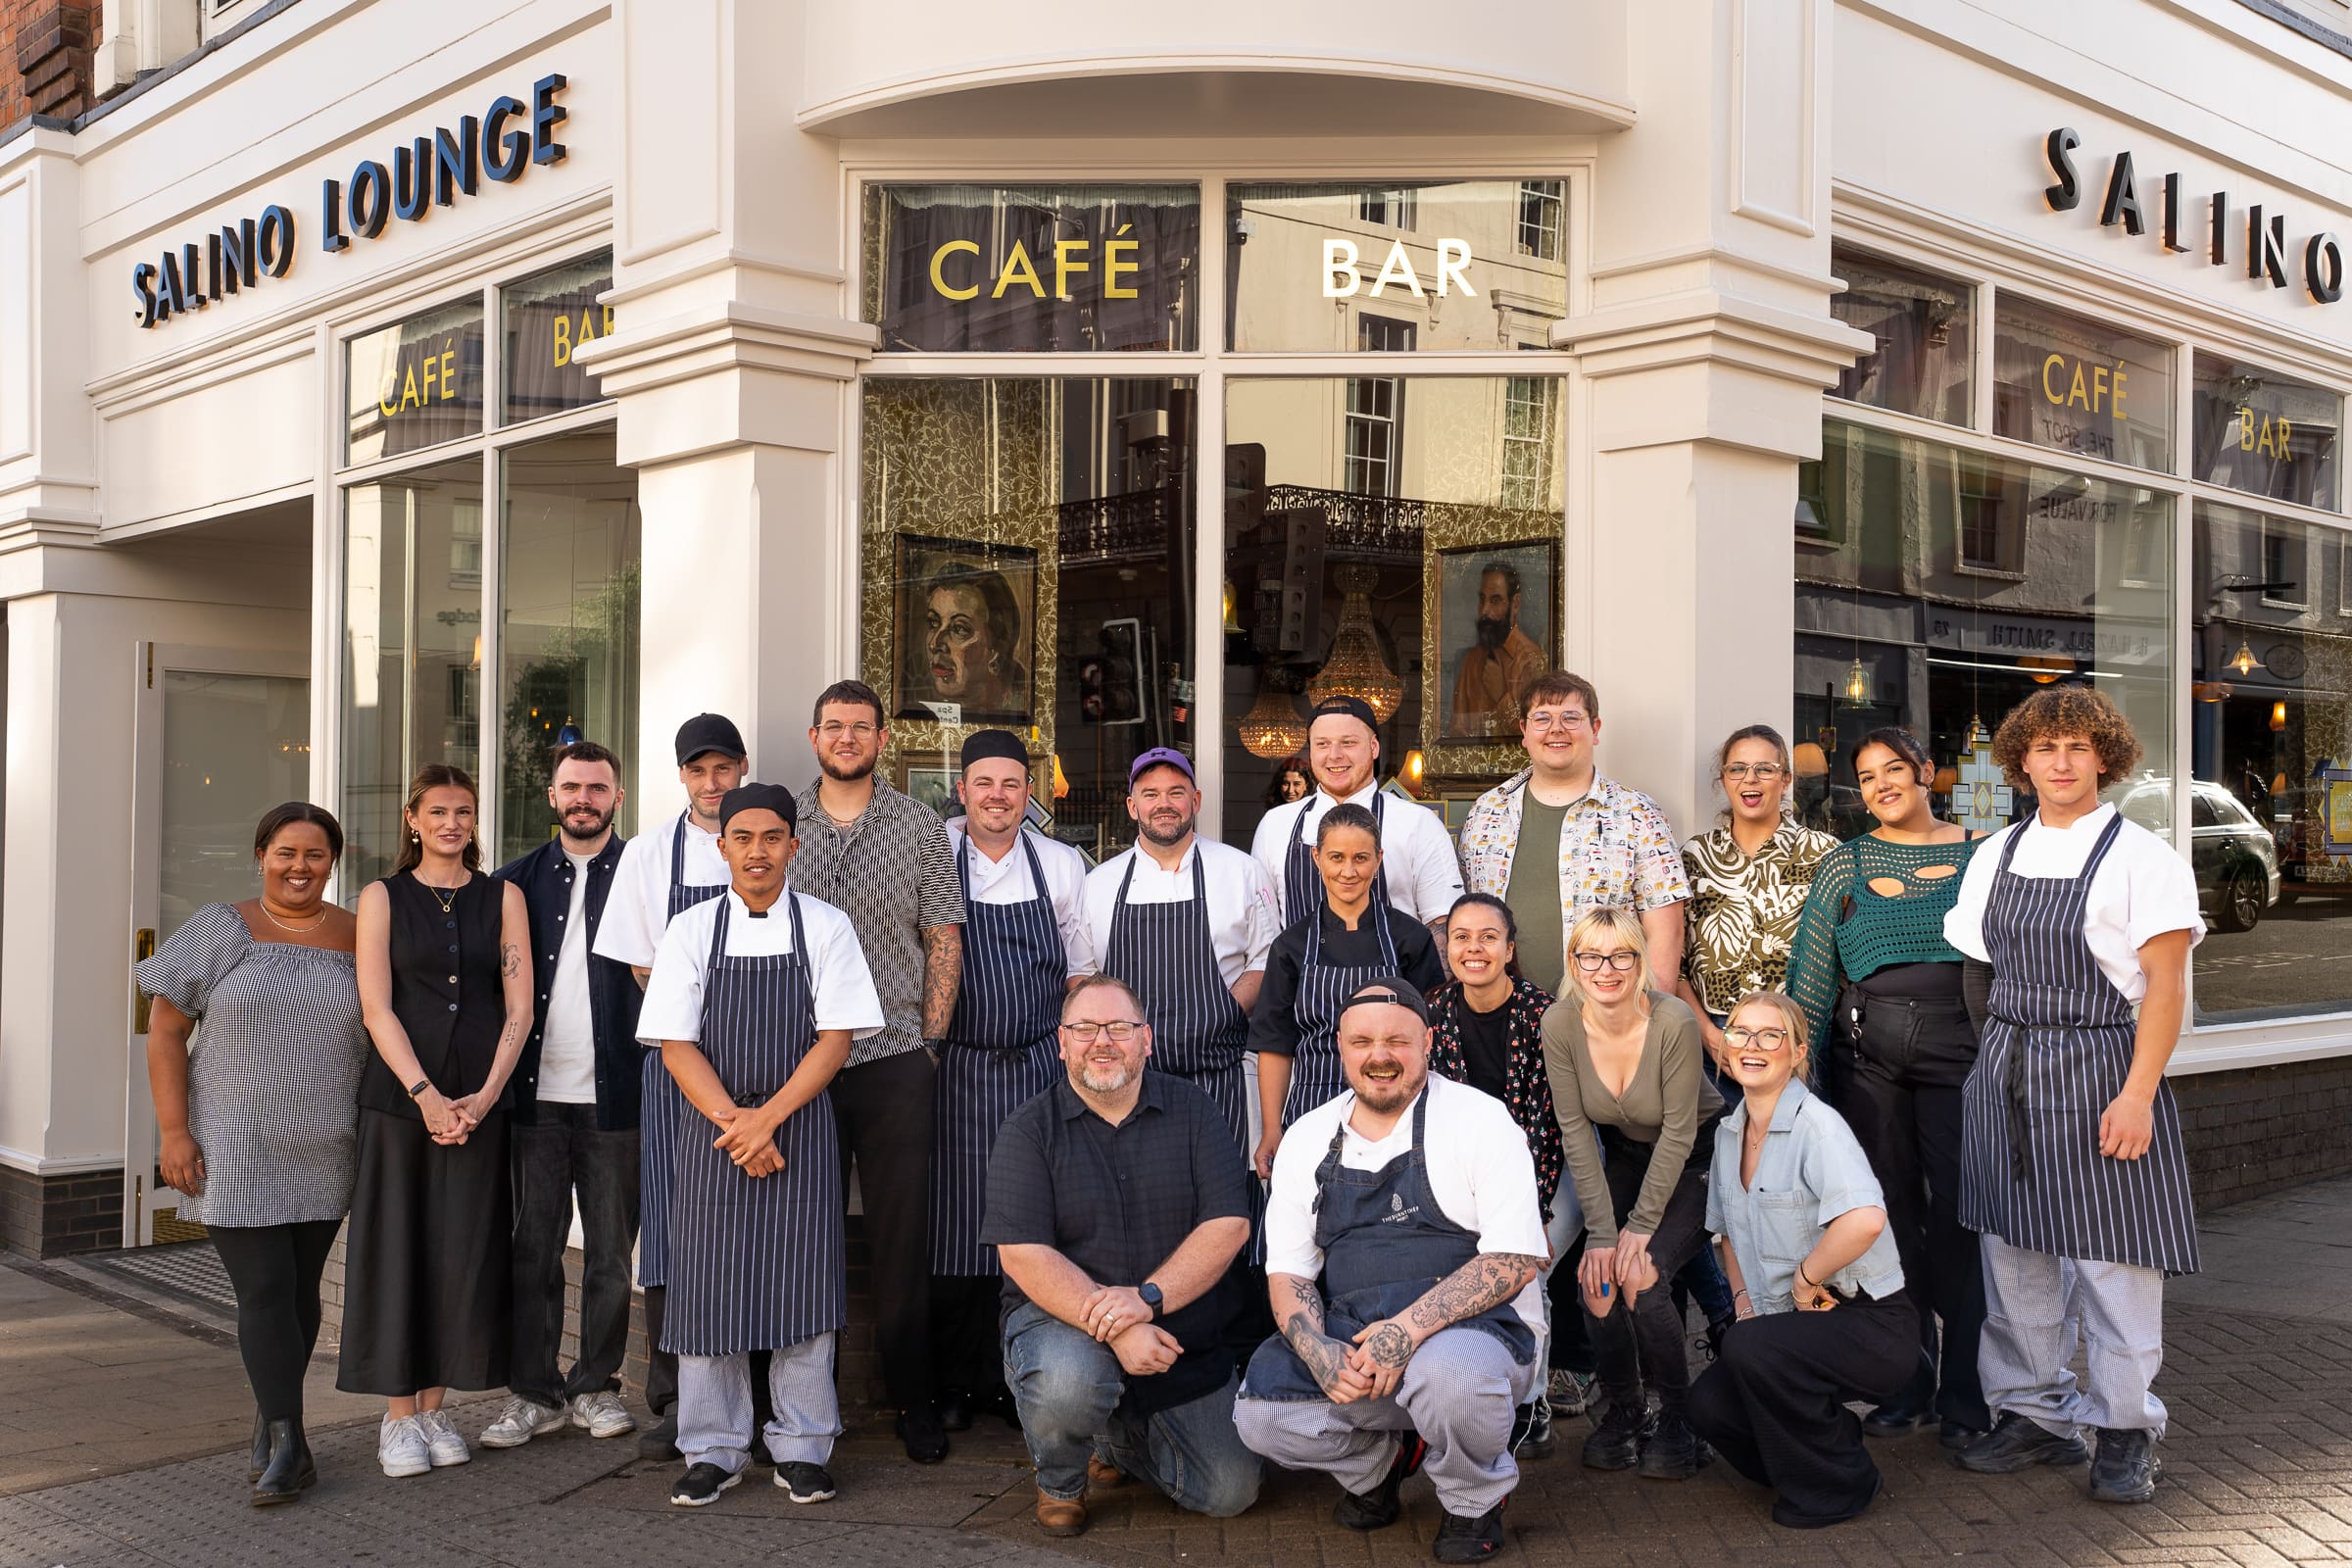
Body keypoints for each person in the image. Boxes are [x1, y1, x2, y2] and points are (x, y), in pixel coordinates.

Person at [1945, 687, 2202, 1505]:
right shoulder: (1995, 854)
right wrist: (1997, 1059)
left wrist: (2138, 1095)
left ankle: (2126, 1429)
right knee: (2014, 1257)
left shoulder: (2143, 859)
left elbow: (2165, 991)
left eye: (2078, 747)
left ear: (2106, 759)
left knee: (2112, 1261)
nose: (2061, 762)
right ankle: (2035, 1414)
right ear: (2020, 760)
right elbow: (1979, 970)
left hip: (2102, 1072)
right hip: (2010, 1071)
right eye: (2046, 747)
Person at [1236, 977, 1547, 1564]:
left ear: (1428, 1041)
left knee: (1453, 1379)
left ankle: (1472, 1498)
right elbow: (1289, 1276)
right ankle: (1378, 1466)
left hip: (1475, 1332)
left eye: (1397, 1041)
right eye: (1363, 1042)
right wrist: (1321, 1355)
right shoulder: (1307, 1137)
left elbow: (1513, 1262)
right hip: (1356, 1337)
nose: (1380, 1056)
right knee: (1261, 1414)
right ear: (1340, 1047)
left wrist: (1406, 1332)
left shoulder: (1480, 1120)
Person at [635, 783, 885, 1508]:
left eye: (772, 837)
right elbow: (674, 1045)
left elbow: (835, 1038)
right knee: (707, 1290)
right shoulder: (689, 929)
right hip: (710, 1132)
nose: (757, 850)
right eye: (742, 837)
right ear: (723, 847)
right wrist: (736, 1124)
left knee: (802, 1287)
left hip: (798, 1126)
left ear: (792, 846)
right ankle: (712, 1449)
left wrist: (766, 1119)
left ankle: (803, 1446)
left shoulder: (827, 927)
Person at [137, 803, 368, 1506]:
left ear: (334, 861)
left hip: (327, 1142)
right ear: (261, 854)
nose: (300, 867)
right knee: (263, 1291)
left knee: (300, 1297)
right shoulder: (220, 926)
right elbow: (166, 1030)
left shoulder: (361, 934)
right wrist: (173, 1132)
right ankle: (292, 1443)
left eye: (316, 855)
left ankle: (272, 1420)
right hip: (231, 1144)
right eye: (285, 853)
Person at [984, 976, 1263, 1537]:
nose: (1102, 1041)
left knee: (1231, 1492)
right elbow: (1023, 1254)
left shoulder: (1196, 1112)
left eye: (1119, 1028)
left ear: (1147, 1040)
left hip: (1174, 1332)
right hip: (1061, 1322)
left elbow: (1229, 1225)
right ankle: (1061, 1483)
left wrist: (1147, 1301)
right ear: (1061, 1042)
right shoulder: (1028, 1130)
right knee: (1068, 1382)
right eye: (1085, 1029)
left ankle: (1113, 1439)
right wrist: (1117, 1327)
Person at [1783, 725, 1989, 1446]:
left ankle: (1966, 1397)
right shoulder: (1845, 865)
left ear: (1927, 772)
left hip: (1960, 1052)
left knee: (1961, 1221)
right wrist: (1799, 1078)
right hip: (1869, 1058)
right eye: (1867, 778)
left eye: (1893, 770)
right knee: (1888, 1222)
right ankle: (1909, 1384)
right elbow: (1811, 975)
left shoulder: (1982, 856)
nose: (1881, 787)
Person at [792, 679, 968, 1462]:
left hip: (895, 1055)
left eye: (861, 728)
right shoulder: (782, 824)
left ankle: (914, 1400)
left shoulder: (921, 826)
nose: (847, 738)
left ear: (882, 738)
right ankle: (800, 1405)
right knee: (803, 1232)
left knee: (902, 1238)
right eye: (834, 727)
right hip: (798, 1061)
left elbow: (944, 936)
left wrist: (931, 1043)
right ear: (814, 736)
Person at [340, 765, 533, 1479]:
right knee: (399, 1251)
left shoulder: (501, 896)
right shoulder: (382, 897)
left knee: (464, 1252)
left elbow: (519, 1007)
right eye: (439, 811)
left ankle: (435, 1407)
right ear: (411, 819)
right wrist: (424, 1093)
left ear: (476, 821)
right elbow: (376, 1007)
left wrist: (481, 1098)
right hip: (401, 1104)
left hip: (481, 1102)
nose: (452, 823)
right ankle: (397, 1419)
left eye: (465, 811)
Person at [1688, 991, 1915, 1529]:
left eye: (1771, 1036)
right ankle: (1828, 1442)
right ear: (1724, 1047)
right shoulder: (1729, 1133)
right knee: (1708, 1405)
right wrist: (1744, 1308)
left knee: (1748, 1349)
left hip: (1868, 1320)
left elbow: (1864, 1220)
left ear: (1797, 1053)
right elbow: (1726, 1237)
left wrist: (1806, 1279)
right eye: (1741, 1032)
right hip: (1793, 1326)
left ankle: (1841, 1487)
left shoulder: (1819, 1126)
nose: (1753, 1045)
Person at [591, 712, 748, 1459]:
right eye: (698, 771)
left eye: (723, 769)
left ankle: (756, 1396)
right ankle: (672, 1396)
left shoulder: (771, 842)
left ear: (741, 769)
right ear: (681, 776)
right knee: (676, 1230)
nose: (711, 784)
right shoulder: (651, 854)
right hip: (675, 1067)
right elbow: (642, 967)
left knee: (755, 1230)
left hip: (766, 1070)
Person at [480, 741, 644, 1449]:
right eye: (572, 787)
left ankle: (595, 1388)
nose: (585, 798)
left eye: (598, 788)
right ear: (552, 797)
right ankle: (533, 1393)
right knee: (532, 1249)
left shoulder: (644, 875)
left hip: (620, 1098)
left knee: (611, 1253)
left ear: (618, 798)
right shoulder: (511, 884)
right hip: (534, 1100)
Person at [930, 729, 1091, 1433]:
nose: (998, 797)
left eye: (1012, 785)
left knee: (1027, 1224)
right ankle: (954, 1382)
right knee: (955, 1226)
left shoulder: (1059, 864)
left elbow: (1080, 969)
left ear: (1030, 795)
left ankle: (1012, 1380)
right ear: (962, 791)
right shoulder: (934, 853)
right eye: (984, 784)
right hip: (955, 1067)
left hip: (1034, 1066)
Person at [1541, 907, 1722, 1481]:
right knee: (1595, 1280)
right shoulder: (1560, 1024)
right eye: (1591, 956)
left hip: (1696, 1156)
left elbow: (1679, 1131)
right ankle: (1625, 1410)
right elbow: (1576, 1132)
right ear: (1575, 962)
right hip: (1624, 1155)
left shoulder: (1673, 1021)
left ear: (1640, 961)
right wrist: (1599, 1235)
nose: (1607, 969)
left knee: (1641, 1274)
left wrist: (1637, 1229)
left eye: (1621, 955)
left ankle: (1681, 1416)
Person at [1424, 892, 1578, 1455]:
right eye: (1462, 936)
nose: (1474, 948)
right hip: (1473, 1178)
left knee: (1522, 1267)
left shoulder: (1545, 1017)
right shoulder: (1433, 1015)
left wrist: (1522, 1215)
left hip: (1557, 1173)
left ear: (1509, 949)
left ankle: (1528, 1404)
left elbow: (1549, 1126)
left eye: (1488, 937)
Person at [1080, 747, 1280, 1159]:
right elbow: (1082, 974)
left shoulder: (1240, 871)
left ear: (1196, 801)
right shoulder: (1100, 883)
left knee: (1224, 1206)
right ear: (1133, 806)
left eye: (1176, 792)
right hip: (1126, 1084)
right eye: (1150, 794)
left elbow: (1265, 959)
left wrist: (1223, 1009)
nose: (1164, 804)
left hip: (1219, 1076)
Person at [1458, 670, 1689, 1004]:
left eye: (1571, 717)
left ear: (1594, 729)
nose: (1556, 729)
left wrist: (1650, 1019)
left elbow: (1665, 931)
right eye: (1542, 718)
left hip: (1605, 1016)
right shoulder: (1486, 813)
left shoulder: (1638, 814)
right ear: (1524, 731)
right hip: (1503, 1015)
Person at [1249, 804, 1446, 1177]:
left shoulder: (1410, 939)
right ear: (1316, 858)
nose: (1348, 871)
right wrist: (1272, 1128)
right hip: (1311, 1104)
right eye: (1336, 857)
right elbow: (1275, 1044)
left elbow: (1430, 1039)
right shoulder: (1291, 945)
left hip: (1396, 1105)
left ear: (1379, 860)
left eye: (1361, 858)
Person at [1675, 725, 1841, 1060]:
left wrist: (1801, 1037)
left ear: (1786, 780)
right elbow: (1675, 963)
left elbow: (1840, 960)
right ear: (1724, 780)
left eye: (1765, 769)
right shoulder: (1695, 856)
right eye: (1738, 769)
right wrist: (1708, 1035)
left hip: (1796, 1037)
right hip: (1714, 1038)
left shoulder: (1824, 854)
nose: (1750, 779)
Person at [1250, 695, 1463, 935]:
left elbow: (1444, 925)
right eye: (1322, 744)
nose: (1334, 755)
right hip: (1302, 973)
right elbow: (1263, 931)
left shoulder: (1418, 824)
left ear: (1374, 747)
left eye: (1348, 742)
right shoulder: (1275, 825)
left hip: (1394, 973)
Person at [913, 565, 1027, 719]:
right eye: (934, 623)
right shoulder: (925, 709)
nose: (934, 643)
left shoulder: (1020, 701)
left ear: (996, 647)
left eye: (959, 629)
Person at [1447, 563, 1546, 739]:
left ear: (1515, 604)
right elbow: (1457, 731)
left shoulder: (1531, 659)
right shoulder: (1471, 660)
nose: (1485, 610)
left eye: (1495, 600)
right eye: (1482, 599)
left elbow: (1537, 735)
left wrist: (1501, 695)